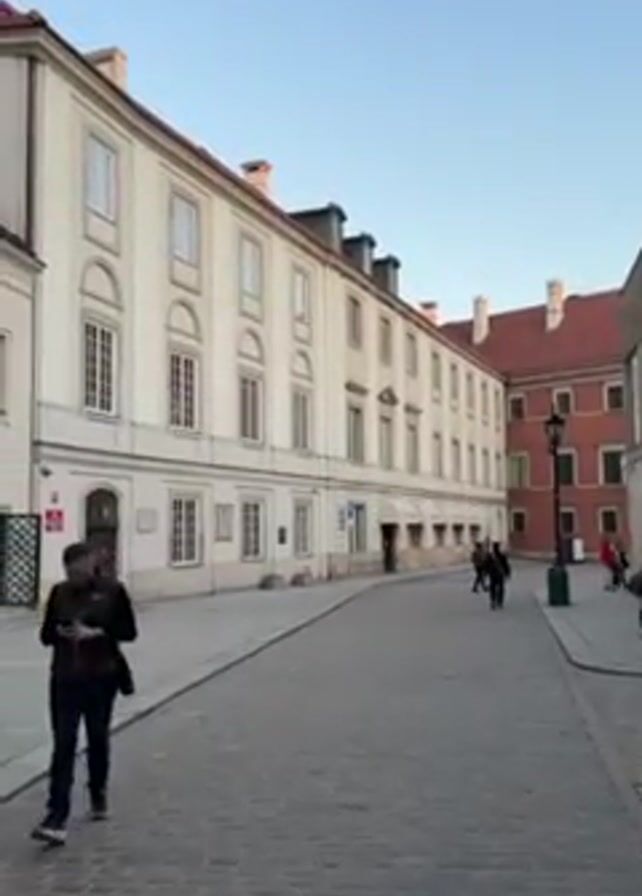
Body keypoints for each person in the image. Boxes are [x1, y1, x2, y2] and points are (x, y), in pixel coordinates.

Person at [31, 542, 137, 847]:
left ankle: (97, 791)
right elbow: (45, 636)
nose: (74, 576)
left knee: (97, 737)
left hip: (101, 677)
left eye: (79, 570)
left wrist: (97, 632)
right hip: (65, 677)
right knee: (63, 743)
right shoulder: (59, 593)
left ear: (92, 565)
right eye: (70, 571)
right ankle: (56, 816)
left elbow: (129, 632)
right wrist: (60, 632)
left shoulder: (113, 592)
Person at [485, 541, 511, 610]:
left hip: (492, 574)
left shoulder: (490, 556)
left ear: (493, 548)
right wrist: (508, 573)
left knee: (492, 588)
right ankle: (500, 601)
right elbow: (506, 565)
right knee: (501, 588)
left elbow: (486, 565)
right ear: (498, 547)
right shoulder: (502, 556)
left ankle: (493, 601)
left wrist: (486, 573)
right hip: (500, 574)